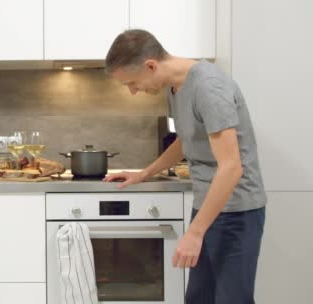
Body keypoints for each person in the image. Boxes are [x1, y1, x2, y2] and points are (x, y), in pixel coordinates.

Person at [103, 29, 267, 304]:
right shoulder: (175, 88)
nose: (133, 91)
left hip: (236, 211)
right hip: (207, 206)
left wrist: (195, 233)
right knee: (199, 299)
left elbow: (231, 167)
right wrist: (144, 173)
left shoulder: (209, 87)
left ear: (151, 66)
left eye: (132, 82)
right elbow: (185, 139)